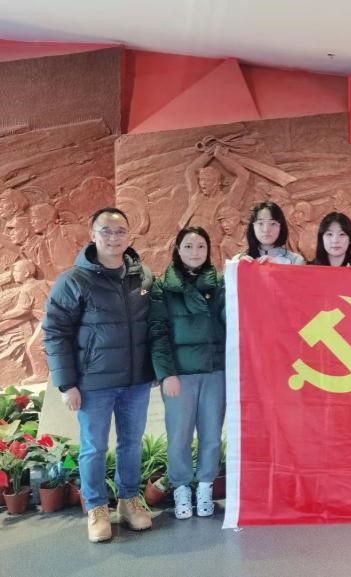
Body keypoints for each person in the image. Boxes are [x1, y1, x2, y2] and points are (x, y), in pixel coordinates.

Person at [41, 207, 154, 543]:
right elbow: (55, 332)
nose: (113, 238)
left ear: (129, 236)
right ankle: (96, 507)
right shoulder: (73, 280)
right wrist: (67, 383)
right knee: (93, 447)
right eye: (106, 231)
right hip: (94, 384)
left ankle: (128, 500)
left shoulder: (143, 276)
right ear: (92, 235)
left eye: (120, 231)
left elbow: (156, 326)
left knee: (131, 444)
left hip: (136, 381)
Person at [149, 227, 226, 520]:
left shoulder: (219, 284)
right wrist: (166, 373)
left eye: (201, 246)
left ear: (208, 251)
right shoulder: (163, 287)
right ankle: (181, 487)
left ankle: (205, 486)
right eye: (189, 246)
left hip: (214, 371)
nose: (195, 252)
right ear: (177, 249)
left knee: (211, 434)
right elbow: (157, 333)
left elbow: (230, 322)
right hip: (179, 376)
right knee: (179, 435)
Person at [236, 201, 305, 264]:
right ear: (253, 227)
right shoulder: (238, 260)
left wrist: (279, 266)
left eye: (273, 223)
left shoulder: (296, 261)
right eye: (260, 223)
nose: (266, 230)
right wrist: (238, 267)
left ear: (281, 227)